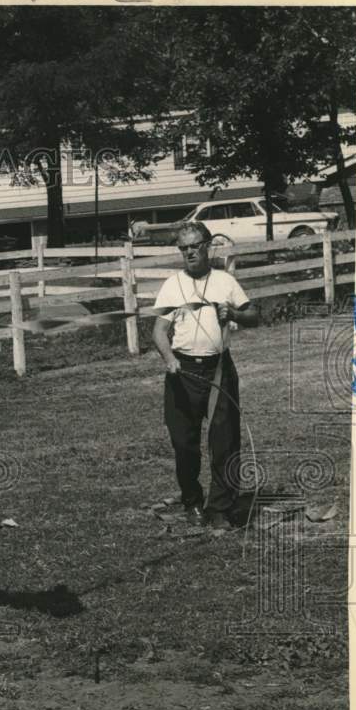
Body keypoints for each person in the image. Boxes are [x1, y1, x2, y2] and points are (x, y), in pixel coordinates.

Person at [152, 221, 259, 530]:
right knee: (183, 443)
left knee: (225, 442)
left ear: (208, 245)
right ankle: (192, 502)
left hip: (219, 371)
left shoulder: (225, 281)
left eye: (195, 245)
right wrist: (169, 358)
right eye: (183, 248)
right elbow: (158, 330)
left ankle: (220, 509)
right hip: (182, 372)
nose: (189, 252)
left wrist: (235, 314)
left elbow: (253, 314)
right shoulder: (173, 284)